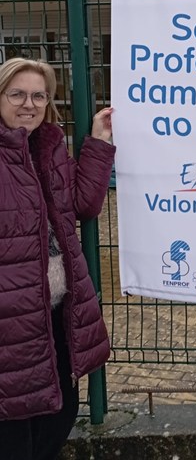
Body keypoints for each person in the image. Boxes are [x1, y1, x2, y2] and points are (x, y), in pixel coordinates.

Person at [0, 57, 116, 460]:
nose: (28, 104)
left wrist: (99, 142)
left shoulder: (48, 147)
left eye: (39, 96)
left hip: (55, 313)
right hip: (11, 320)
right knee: (14, 431)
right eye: (16, 94)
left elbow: (82, 204)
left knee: (60, 416)